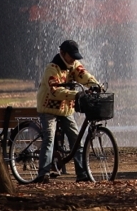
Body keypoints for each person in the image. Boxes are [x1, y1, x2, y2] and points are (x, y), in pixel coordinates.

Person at [35, 39, 100, 183]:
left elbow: (84, 76)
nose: (74, 59)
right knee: (49, 138)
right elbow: (55, 91)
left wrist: (96, 85)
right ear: (62, 53)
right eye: (71, 56)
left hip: (65, 109)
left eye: (75, 56)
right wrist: (76, 95)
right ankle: (43, 173)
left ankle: (82, 174)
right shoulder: (52, 68)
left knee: (76, 138)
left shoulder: (74, 65)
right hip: (48, 108)